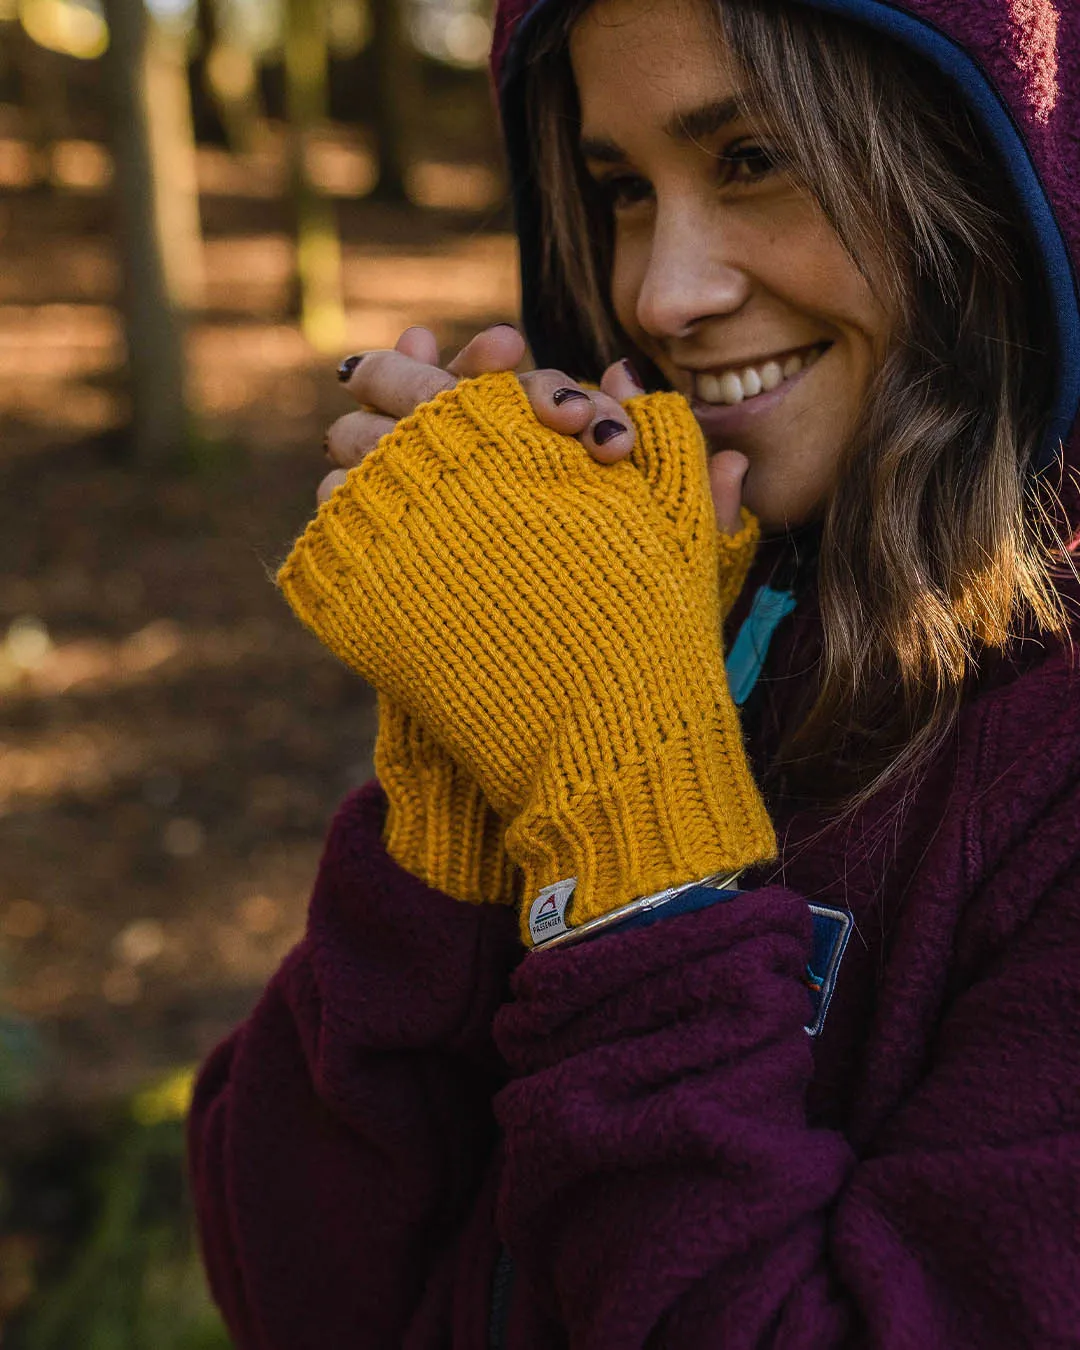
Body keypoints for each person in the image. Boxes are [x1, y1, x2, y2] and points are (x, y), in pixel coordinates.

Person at [187, 0, 1080, 1344]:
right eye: (617, 187)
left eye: (752, 159)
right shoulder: (685, 600)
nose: (660, 295)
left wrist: (636, 860)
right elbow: (291, 1280)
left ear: (979, 164)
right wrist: (453, 801)